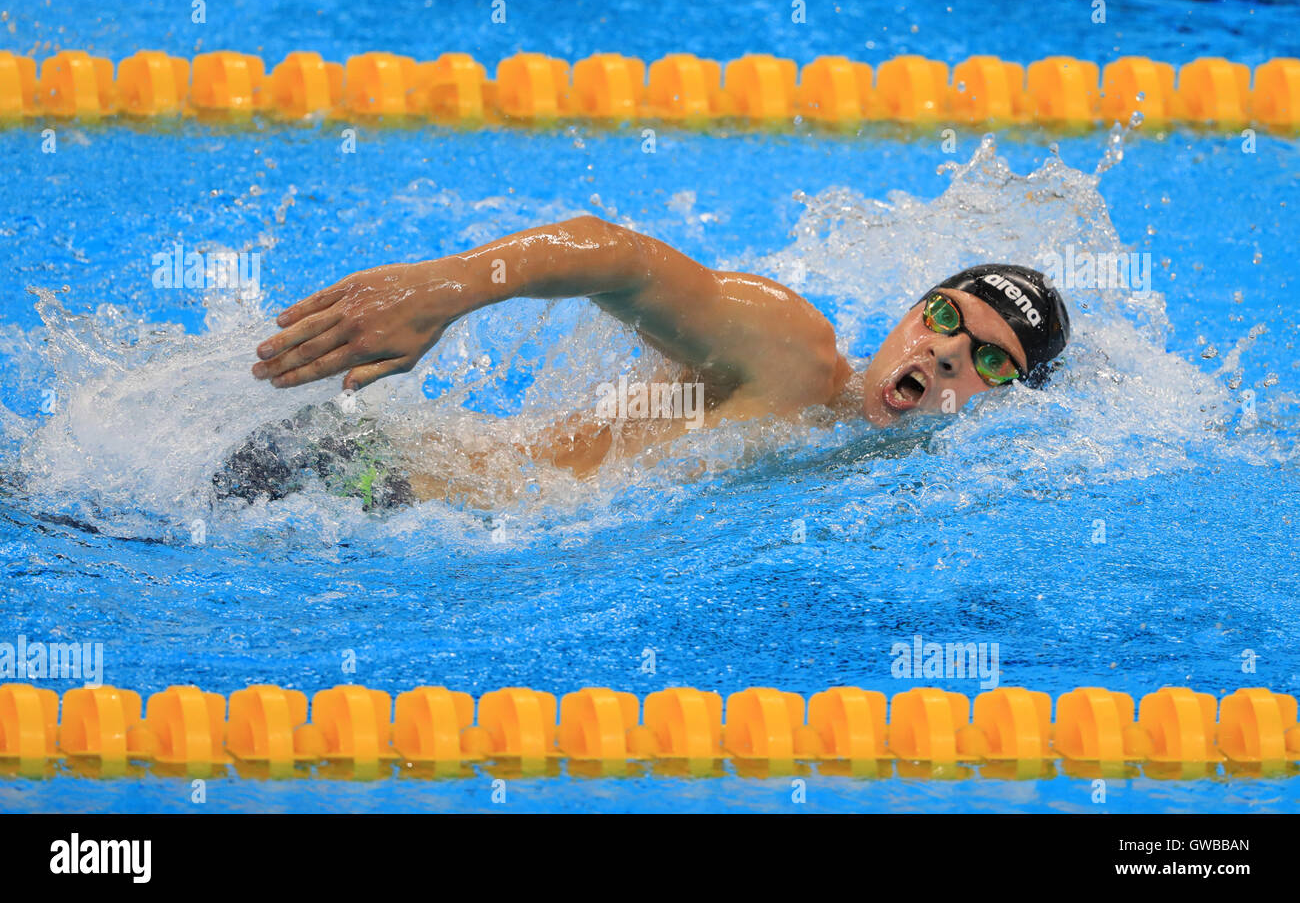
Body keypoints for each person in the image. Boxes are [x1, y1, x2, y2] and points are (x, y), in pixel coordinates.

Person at [216, 215, 1070, 510]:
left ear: (1009, 403)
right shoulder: (793, 357)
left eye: (989, 361)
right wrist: (442, 290)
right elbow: (612, 255)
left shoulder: (907, 485)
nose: (946, 353)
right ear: (911, 311)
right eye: (946, 317)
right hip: (362, 483)